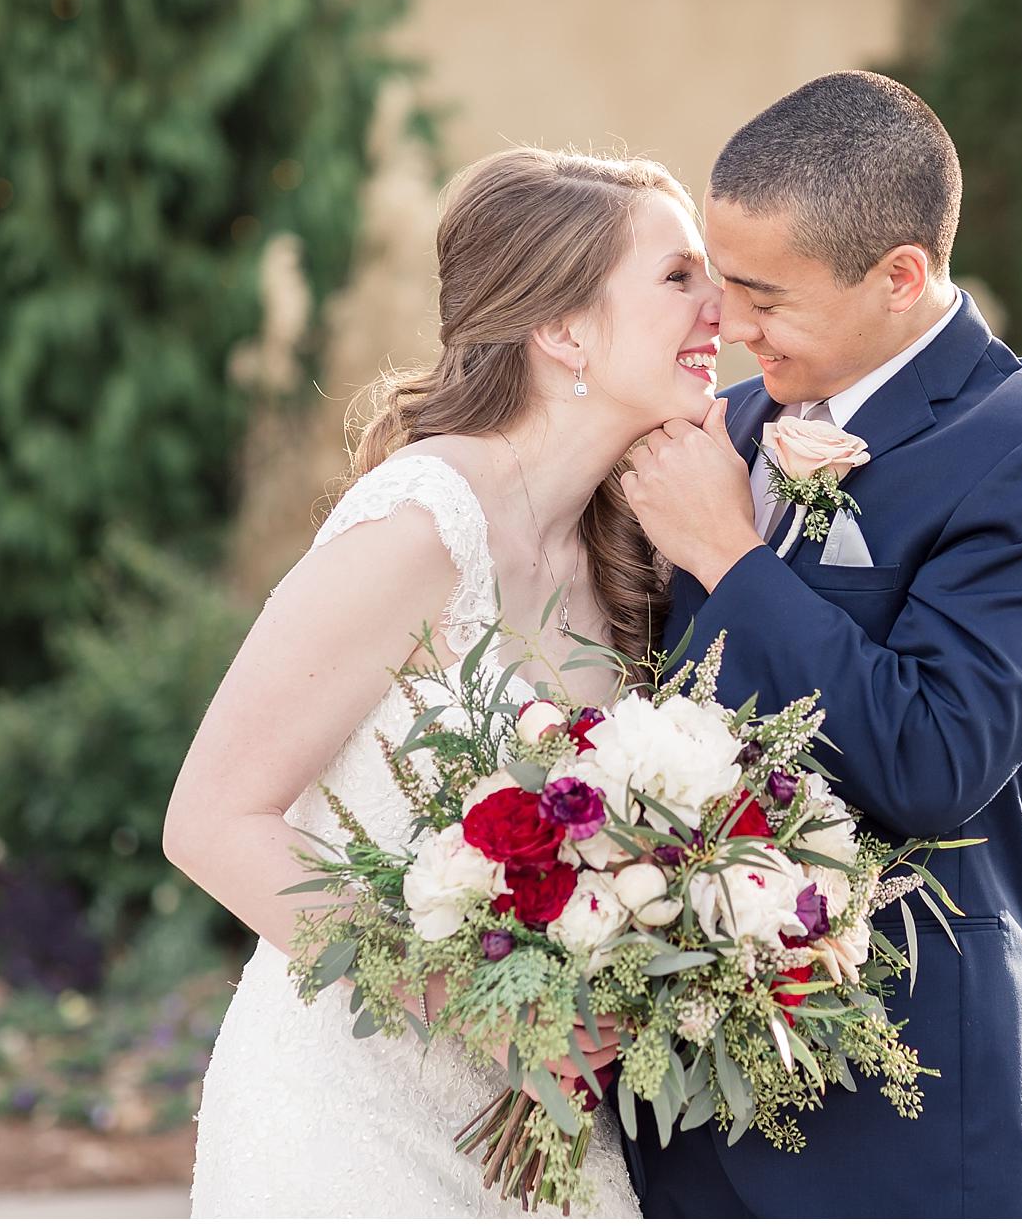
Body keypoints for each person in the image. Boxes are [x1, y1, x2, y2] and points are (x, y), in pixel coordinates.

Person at [619, 70, 1022, 1217]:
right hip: (677, 1131)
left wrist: (734, 560)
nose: (731, 328)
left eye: (765, 297)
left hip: (904, 1129)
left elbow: (933, 757)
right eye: (720, 286)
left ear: (901, 276)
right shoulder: (728, 427)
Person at [167, 147, 726, 1217]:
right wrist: (477, 1008)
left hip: (545, 1131)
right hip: (349, 1115)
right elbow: (210, 818)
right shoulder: (422, 525)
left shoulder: (624, 550)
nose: (720, 308)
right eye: (677, 277)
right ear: (561, 330)